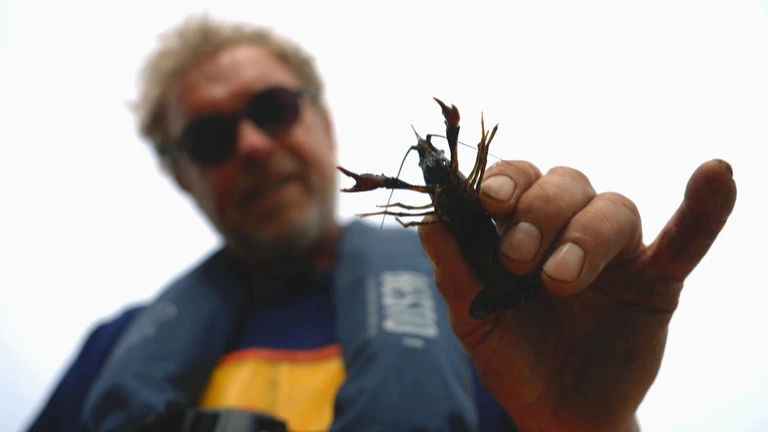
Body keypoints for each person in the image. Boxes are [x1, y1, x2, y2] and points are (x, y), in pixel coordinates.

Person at [25, 14, 737, 432]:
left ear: (323, 121)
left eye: (273, 109)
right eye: (210, 138)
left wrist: (591, 431)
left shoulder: (489, 322)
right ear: (183, 175)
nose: (252, 146)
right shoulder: (111, 352)